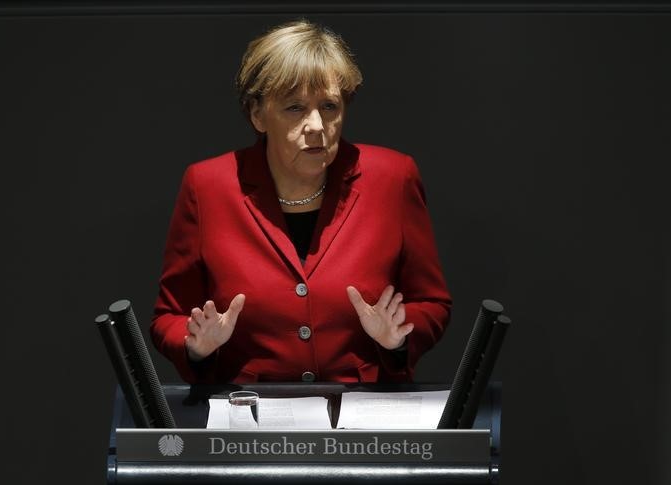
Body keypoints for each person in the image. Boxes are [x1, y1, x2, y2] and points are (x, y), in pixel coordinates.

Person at [151, 20, 451, 384]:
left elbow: (432, 304)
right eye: (294, 108)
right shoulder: (207, 186)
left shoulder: (393, 178)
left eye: (329, 106)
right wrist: (197, 344)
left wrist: (398, 337)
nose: (316, 125)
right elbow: (169, 317)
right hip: (250, 421)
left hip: (361, 422)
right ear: (258, 114)